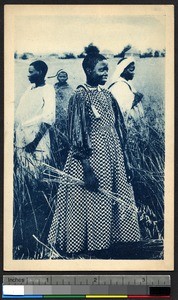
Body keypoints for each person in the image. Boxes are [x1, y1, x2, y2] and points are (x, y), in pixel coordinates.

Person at [47, 46, 141, 258]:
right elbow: (77, 135)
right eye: (101, 70)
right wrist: (87, 169)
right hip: (91, 158)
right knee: (95, 199)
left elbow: (119, 130)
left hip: (114, 154)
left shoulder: (108, 95)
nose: (106, 73)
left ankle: (114, 242)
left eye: (107, 69)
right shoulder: (79, 97)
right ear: (89, 71)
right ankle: (95, 246)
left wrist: (125, 161)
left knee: (116, 196)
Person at [14, 60, 55, 258]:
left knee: (37, 177)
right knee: (24, 179)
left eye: (32, 72)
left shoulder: (48, 90)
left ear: (41, 72)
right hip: (22, 140)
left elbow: (48, 119)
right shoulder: (28, 90)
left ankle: (39, 217)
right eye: (28, 72)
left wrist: (34, 143)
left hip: (37, 143)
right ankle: (25, 214)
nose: (28, 75)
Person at [48, 69, 74, 169]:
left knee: (65, 138)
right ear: (57, 77)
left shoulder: (70, 89)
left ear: (67, 77)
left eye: (64, 76)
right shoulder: (53, 88)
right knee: (55, 138)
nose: (62, 78)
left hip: (65, 118)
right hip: (56, 116)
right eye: (60, 76)